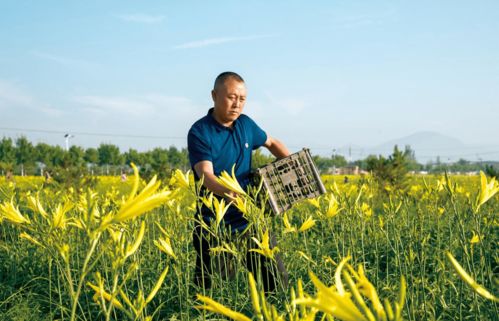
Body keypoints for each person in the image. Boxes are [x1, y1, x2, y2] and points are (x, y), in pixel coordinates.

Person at [187, 71, 290, 292]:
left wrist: (291, 165)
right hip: (215, 226)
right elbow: (206, 176)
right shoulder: (200, 131)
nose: (237, 104)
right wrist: (233, 194)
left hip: (250, 222)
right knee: (219, 294)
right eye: (232, 97)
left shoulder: (246, 125)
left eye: (242, 99)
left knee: (276, 284)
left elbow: (271, 142)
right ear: (214, 96)